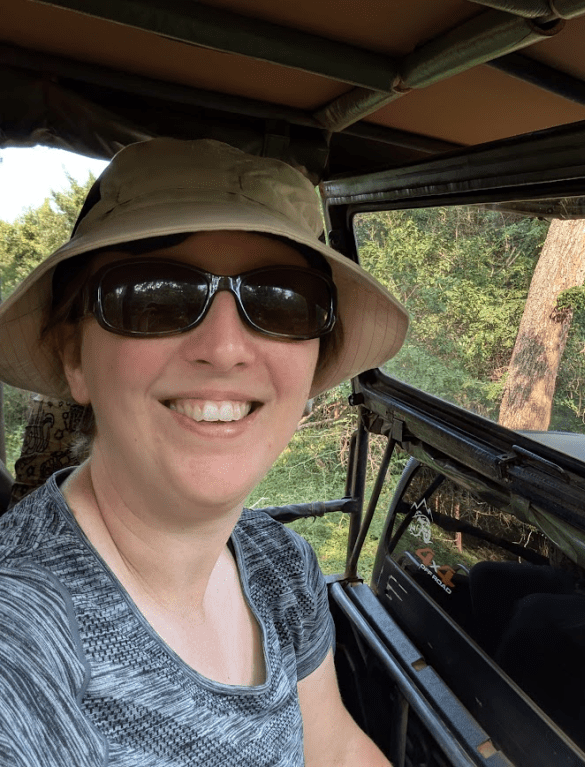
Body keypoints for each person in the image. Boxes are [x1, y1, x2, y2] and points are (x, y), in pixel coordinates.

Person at [0, 138, 408, 766]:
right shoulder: (21, 637)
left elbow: (335, 749)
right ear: (73, 357)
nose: (224, 348)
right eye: (154, 298)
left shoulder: (281, 565)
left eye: (283, 300)